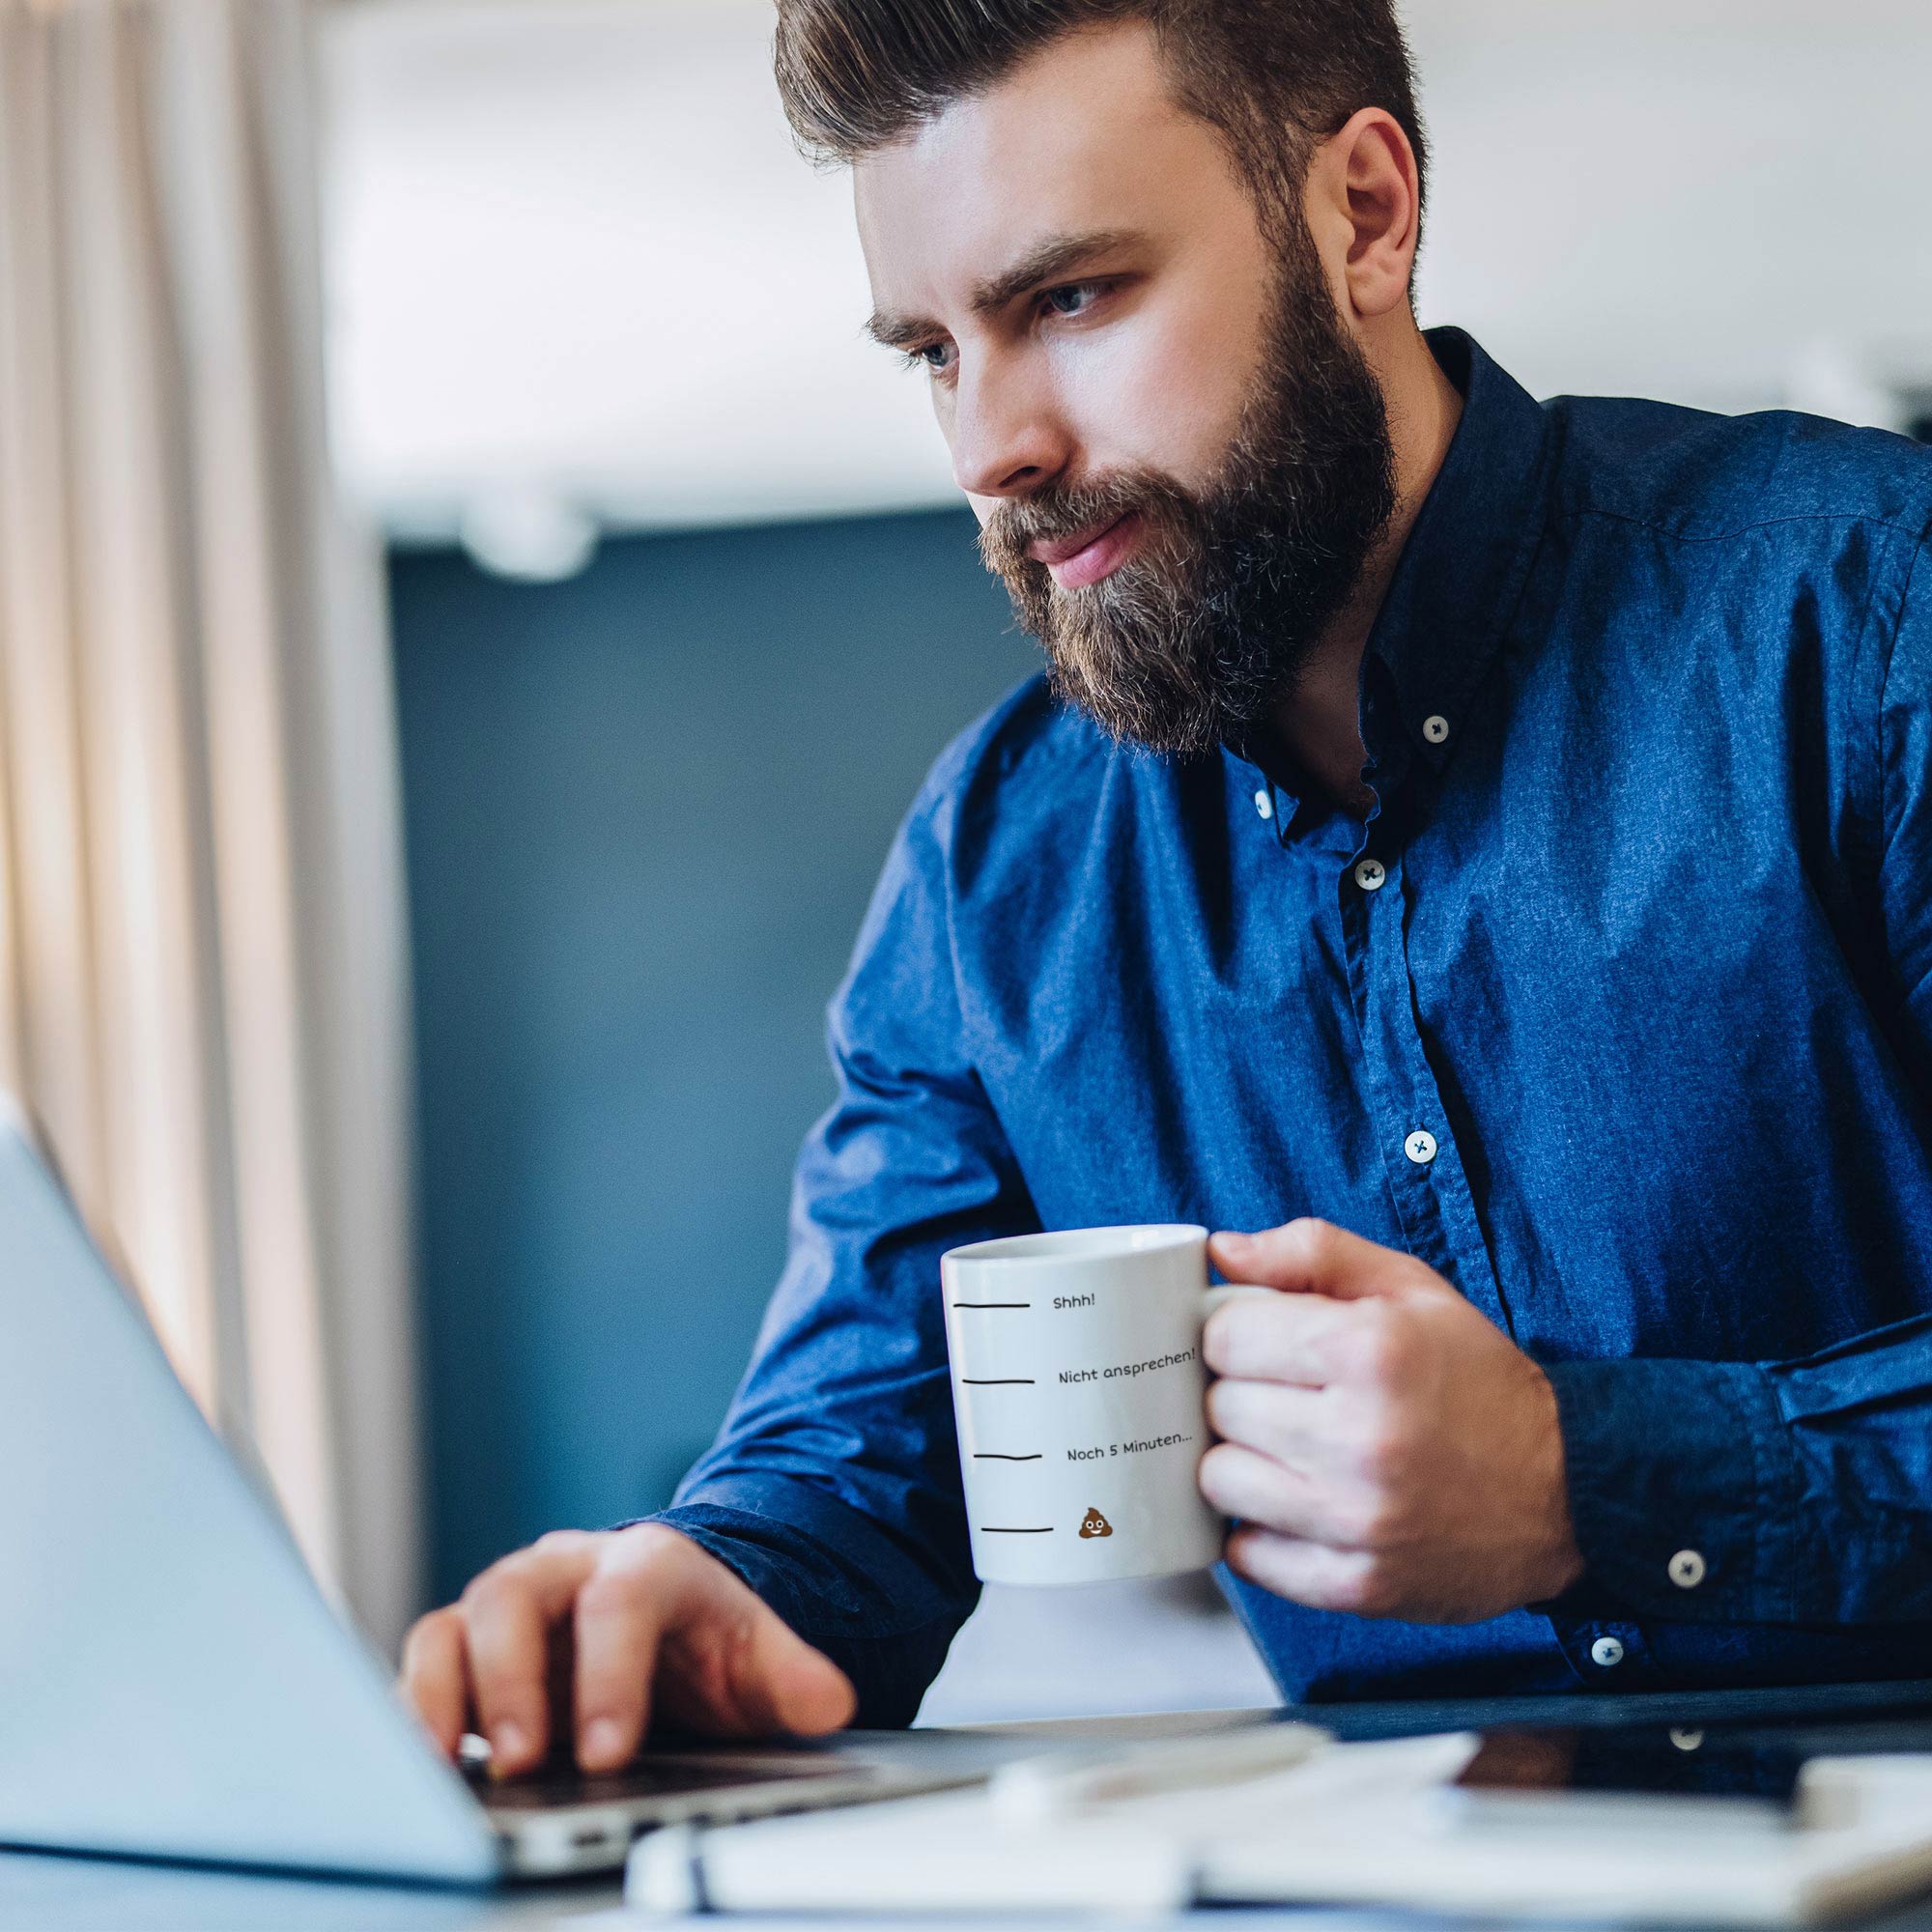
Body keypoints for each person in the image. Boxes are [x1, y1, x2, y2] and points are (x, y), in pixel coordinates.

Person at [401, 0, 1932, 1778]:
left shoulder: (1873, 619)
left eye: (1069, 300)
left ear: (1363, 213)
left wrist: (1581, 1477)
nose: (992, 449)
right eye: (932, 351)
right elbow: (855, 1446)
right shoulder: (997, 866)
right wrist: (705, 1586)